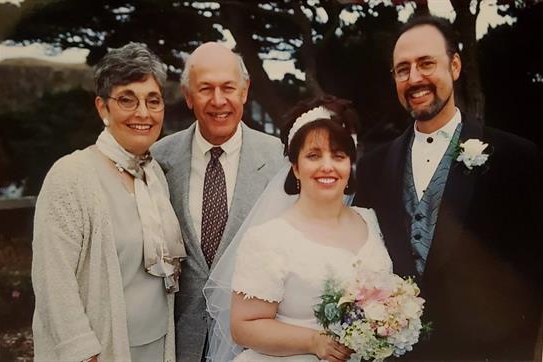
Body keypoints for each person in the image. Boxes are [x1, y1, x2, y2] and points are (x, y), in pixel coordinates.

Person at [354, 15, 543, 360]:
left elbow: (532, 271)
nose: (415, 79)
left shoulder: (515, 157)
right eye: (402, 69)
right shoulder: (372, 166)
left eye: (426, 64)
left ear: (454, 66)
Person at [204, 95, 394, 362]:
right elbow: (244, 326)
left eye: (338, 155)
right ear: (295, 167)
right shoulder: (268, 238)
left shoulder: (369, 220)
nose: (327, 166)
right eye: (314, 155)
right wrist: (314, 342)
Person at [31, 43, 186, 362]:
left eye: (152, 101)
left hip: (157, 348)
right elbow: (53, 282)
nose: (143, 113)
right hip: (102, 351)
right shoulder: (72, 176)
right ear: (103, 108)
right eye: (127, 99)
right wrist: (84, 353)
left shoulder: (154, 174)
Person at [151, 42, 284, 362]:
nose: (218, 100)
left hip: (254, 349)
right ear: (187, 95)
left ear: (245, 90)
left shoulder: (280, 159)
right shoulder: (158, 160)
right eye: (205, 89)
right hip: (179, 345)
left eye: (228, 87)